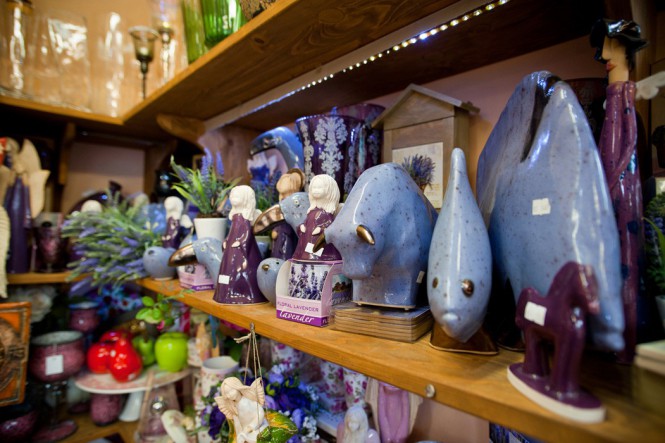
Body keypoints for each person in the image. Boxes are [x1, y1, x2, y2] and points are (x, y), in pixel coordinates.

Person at [590, 19, 647, 360]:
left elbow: (628, 148)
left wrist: (613, 183)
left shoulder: (625, 102)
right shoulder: (612, 104)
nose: (605, 55)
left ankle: (624, 339)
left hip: (622, 197)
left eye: (613, 45)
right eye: (605, 47)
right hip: (609, 196)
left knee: (625, 259)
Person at [213, 186, 266, 304]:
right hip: (232, 246)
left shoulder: (245, 217)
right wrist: (227, 240)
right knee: (228, 267)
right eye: (232, 196)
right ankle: (225, 293)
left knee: (241, 268)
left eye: (237, 196)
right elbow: (232, 232)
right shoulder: (234, 216)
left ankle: (244, 293)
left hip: (240, 248)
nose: (233, 198)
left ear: (246, 199)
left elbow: (247, 232)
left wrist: (241, 241)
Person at [292, 174, 342, 261]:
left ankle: (317, 257)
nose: (315, 190)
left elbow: (331, 227)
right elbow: (306, 223)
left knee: (316, 253)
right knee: (307, 255)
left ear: (329, 190)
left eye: (319, 188)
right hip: (307, 241)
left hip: (319, 245)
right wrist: (302, 226)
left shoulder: (326, 213)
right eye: (314, 188)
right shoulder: (311, 212)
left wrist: (321, 229)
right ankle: (307, 255)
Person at [215, 377, 268, 443]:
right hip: (245, 432)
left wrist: (251, 427)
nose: (230, 395)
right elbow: (237, 424)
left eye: (231, 391)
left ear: (237, 387)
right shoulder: (234, 407)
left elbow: (260, 413)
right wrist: (239, 434)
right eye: (227, 393)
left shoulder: (247, 400)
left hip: (257, 427)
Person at [271, 169, 305, 260]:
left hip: (287, 238)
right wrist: (275, 230)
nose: (282, 197)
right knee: (277, 253)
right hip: (279, 237)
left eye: (285, 194)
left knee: (286, 253)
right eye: (280, 194)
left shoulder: (293, 209)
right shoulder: (280, 208)